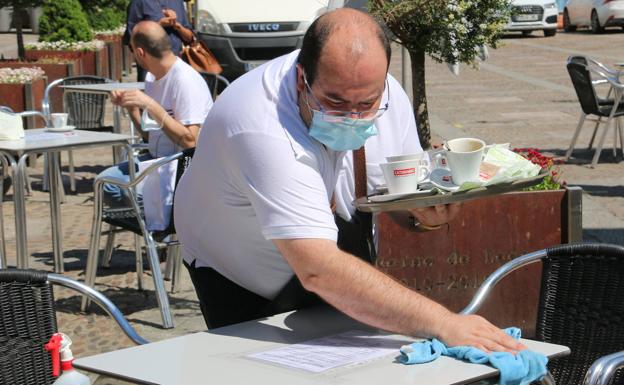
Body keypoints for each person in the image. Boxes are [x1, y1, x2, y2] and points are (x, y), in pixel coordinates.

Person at [174, 8, 523, 353]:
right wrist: (445, 323)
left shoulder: (385, 93)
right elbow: (318, 270)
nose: (353, 117)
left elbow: (398, 194)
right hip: (243, 275)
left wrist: (424, 215)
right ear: (301, 80)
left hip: (329, 262)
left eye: (367, 103)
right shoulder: (259, 125)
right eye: (335, 102)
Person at [100, 20, 212, 207]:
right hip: (156, 160)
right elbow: (150, 136)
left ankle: (163, 226)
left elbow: (191, 142)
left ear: (140, 52)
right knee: (105, 182)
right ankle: (156, 222)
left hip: (182, 169)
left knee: (116, 188)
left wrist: (151, 105)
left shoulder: (184, 80)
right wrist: (133, 109)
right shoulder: (152, 77)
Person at [124, 0, 194, 81]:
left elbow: (190, 38)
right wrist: (159, 24)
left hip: (175, 67)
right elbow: (132, 37)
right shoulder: (138, 2)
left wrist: (177, 26)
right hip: (150, 69)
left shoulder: (178, 2)